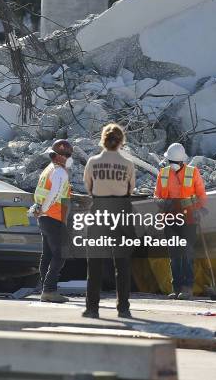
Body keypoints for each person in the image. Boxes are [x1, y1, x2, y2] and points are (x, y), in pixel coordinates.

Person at [82, 123, 136, 319]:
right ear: (122, 141)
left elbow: (88, 187)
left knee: (94, 263)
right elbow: (131, 189)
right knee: (122, 265)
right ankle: (123, 308)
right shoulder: (128, 163)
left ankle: (92, 308)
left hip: (99, 210)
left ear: (103, 140)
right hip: (121, 212)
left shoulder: (93, 161)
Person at [154, 142, 207, 300]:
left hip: (189, 219)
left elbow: (202, 196)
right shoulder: (163, 173)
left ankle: (187, 288)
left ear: (182, 161)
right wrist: (162, 202)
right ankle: (176, 288)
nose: (173, 165)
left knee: (187, 254)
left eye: (175, 162)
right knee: (175, 255)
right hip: (170, 219)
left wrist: (196, 207)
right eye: (171, 162)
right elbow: (157, 194)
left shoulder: (193, 172)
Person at [31, 139, 73, 303]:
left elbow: (46, 191)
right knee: (60, 253)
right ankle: (49, 290)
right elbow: (54, 193)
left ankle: (45, 289)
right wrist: (46, 208)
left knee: (48, 254)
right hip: (53, 216)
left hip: (45, 218)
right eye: (67, 156)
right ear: (61, 157)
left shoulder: (48, 170)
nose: (68, 159)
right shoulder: (60, 172)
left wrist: (41, 210)